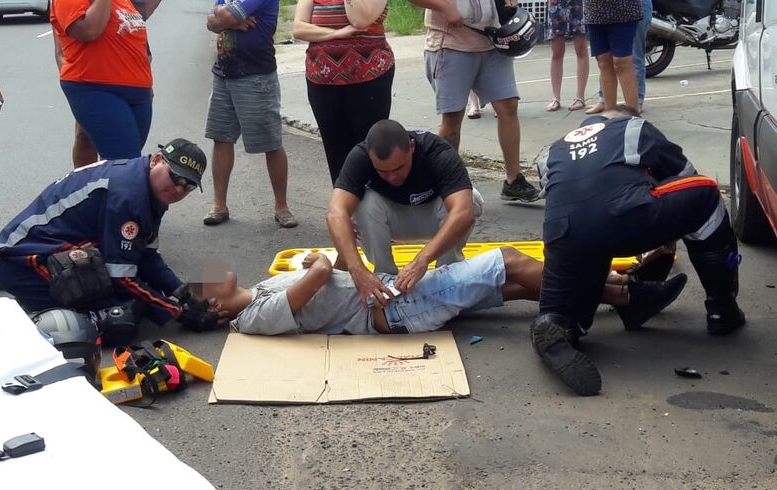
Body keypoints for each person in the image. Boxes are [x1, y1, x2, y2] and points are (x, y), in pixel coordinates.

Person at [530, 106, 746, 397]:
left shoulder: (554, 150)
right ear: (624, 117)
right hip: (623, 215)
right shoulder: (633, 127)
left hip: (562, 232)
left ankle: (555, 326)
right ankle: (722, 308)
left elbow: (576, 198)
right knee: (705, 193)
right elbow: (682, 177)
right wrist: (668, 232)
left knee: (561, 311)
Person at [0, 139, 221, 339]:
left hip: (46, 248)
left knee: (143, 295)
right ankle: (35, 314)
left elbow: (146, 254)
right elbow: (121, 276)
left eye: (189, 185)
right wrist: (179, 313)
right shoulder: (129, 196)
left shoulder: (150, 188)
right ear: (157, 160)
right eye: (176, 177)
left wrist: (182, 292)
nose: (179, 189)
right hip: (23, 262)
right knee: (120, 319)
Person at [206, 247, 686, 336]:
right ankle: (626, 296)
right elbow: (314, 279)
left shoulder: (261, 287)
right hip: (395, 309)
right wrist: (328, 260)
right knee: (507, 260)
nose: (213, 273)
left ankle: (623, 287)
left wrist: (321, 265)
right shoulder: (252, 319)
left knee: (515, 285)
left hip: (394, 298)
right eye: (204, 284)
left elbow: (312, 279)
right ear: (215, 308)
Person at [327, 119, 484, 305]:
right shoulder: (359, 156)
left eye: (399, 167)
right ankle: (384, 277)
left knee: (470, 200)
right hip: (393, 219)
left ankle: (447, 273)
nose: (392, 177)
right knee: (360, 204)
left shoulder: (438, 152)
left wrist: (421, 261)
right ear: (370, 156)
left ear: (411, 147)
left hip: (436, 219)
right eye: (383, 171)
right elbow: (335, 213)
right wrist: (357, 270)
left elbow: (463, 212)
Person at [412, 0, 539, 202]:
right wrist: (445, 7)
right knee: (452, 118)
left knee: (508, 105)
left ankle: (513, 181)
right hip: (451, 42)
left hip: (493, 40)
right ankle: (449, 184)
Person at [203, 0, 296, 228]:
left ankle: (281, 207)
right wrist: (229, 21)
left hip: (256, 76)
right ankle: (219, 205)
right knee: (221, 136)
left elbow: (224, 18)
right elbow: (211, 23)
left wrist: (226, 20)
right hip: (224, 73)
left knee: (270, 141)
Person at [293, 0, 394, 184]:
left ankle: (373, 207)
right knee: (335, 150)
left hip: (369, 78)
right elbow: (299, 28)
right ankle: (344, 206)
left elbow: (360, 20)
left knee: (369, 146)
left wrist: (324, 34)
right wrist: (336, 33)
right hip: (322, 80)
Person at [52, 0, 163, 168]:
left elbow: (132, 34)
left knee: (126, 161)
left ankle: (94, 190)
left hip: (137, 90)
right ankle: (86, 189)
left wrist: (146, 81)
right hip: (95, 87)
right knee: (125, 163)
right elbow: (89, 31)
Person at [585, 0, 652, 115]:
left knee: (622, 62)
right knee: (604, 62)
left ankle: (633, 116)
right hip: (594, 11)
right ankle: (609, 116)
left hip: (624, 9)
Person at [544, 0, 588, 112]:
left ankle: (580, 97)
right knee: (556, 52)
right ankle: (555, 98)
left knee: (581, 49)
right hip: (556, 3)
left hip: (579, 3)